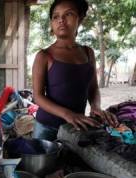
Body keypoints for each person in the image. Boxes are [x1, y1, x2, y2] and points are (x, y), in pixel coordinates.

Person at [32, 0, 118, 141]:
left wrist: (95, 106)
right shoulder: (44, 56)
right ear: (52, 23)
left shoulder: (88, 52)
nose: (61, 20)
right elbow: (38, 97)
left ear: (80, 19)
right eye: (56, 16)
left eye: (68, 14)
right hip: (47, 127)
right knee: (44, 162)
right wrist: (68, 114)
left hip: (76, 125)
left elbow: (93, 88)